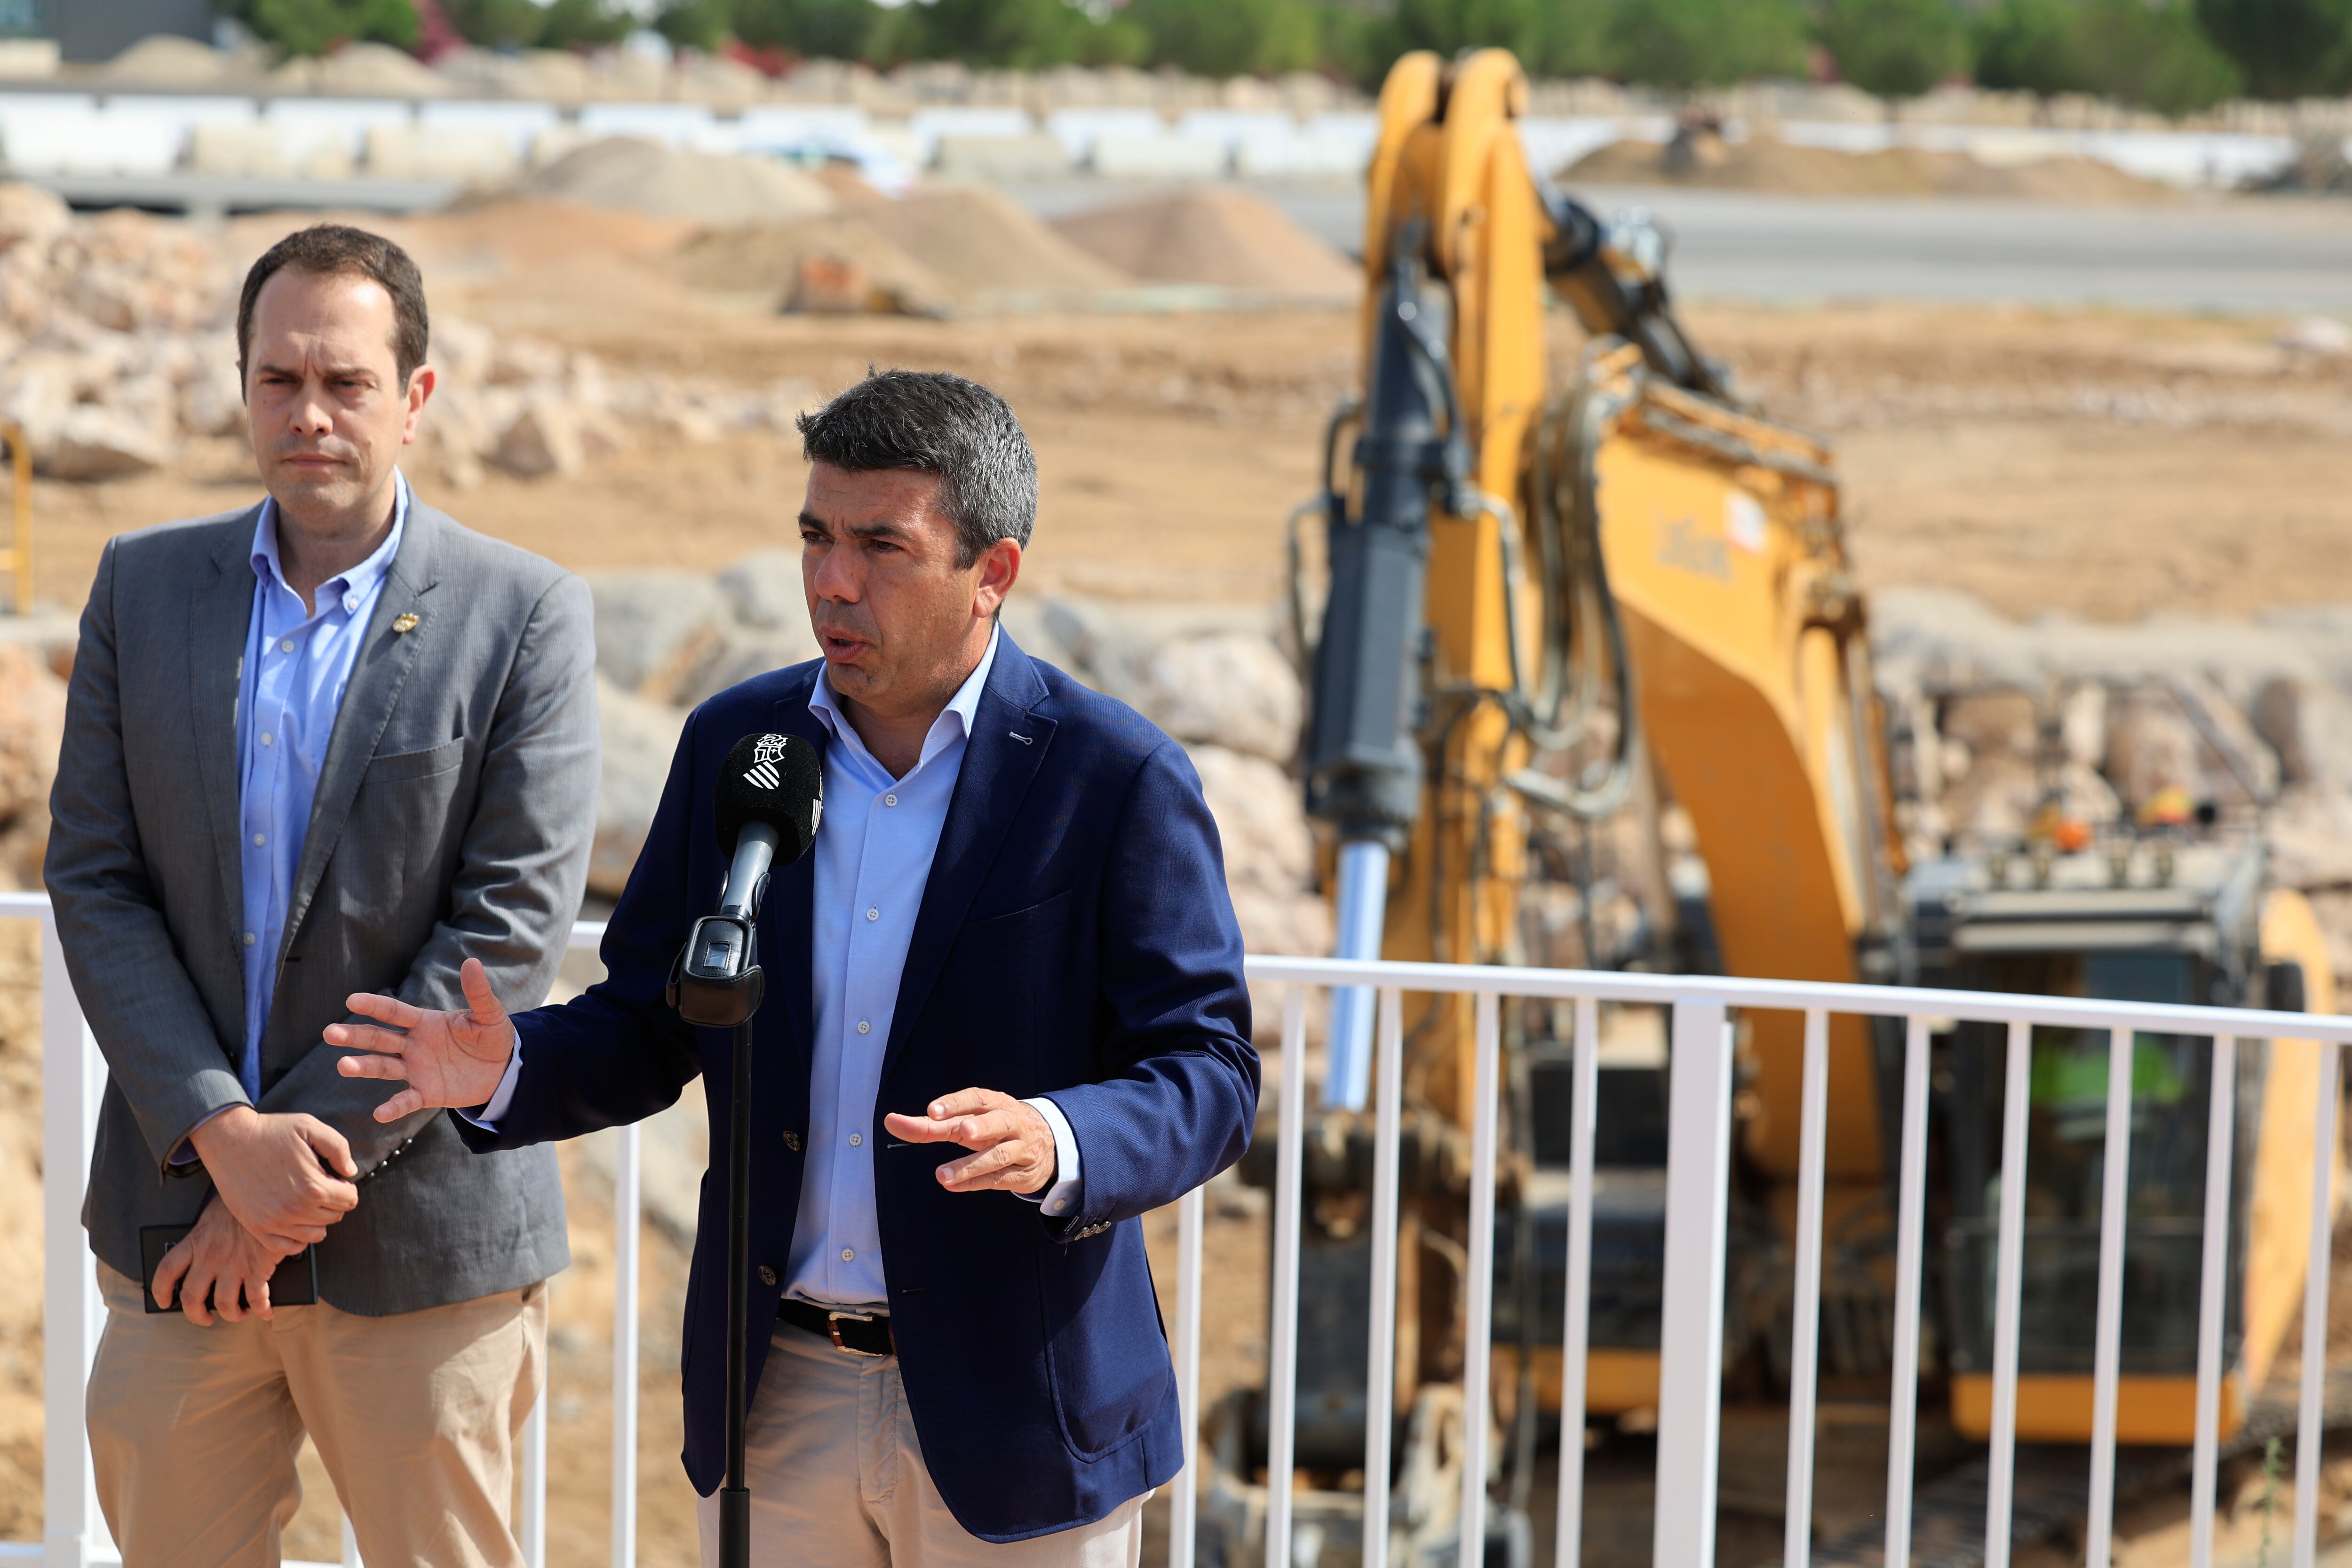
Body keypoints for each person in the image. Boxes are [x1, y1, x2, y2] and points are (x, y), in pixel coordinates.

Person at [330, 369, 1260, 1567]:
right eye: (816, 536)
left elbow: (1209, 1071)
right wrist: (516, 1064)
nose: (832, 580)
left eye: (883, 545)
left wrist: (1060, 1136)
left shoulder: (1113, 776)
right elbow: (659, 1018)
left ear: (995, 573)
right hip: (778, 1400)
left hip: (1016, 1414)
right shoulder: (740, 744)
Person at [45, 223, 599, 1568]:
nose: (309, 413)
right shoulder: (143, 585)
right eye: (278, 378)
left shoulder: (524, 610)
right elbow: (96, 876)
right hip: (181, 1234)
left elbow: (508, 926)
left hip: (424, 1250)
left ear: (415, 396)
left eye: (345, 381)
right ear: (241, 387)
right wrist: (217, 1130)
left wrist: (271, 1175)